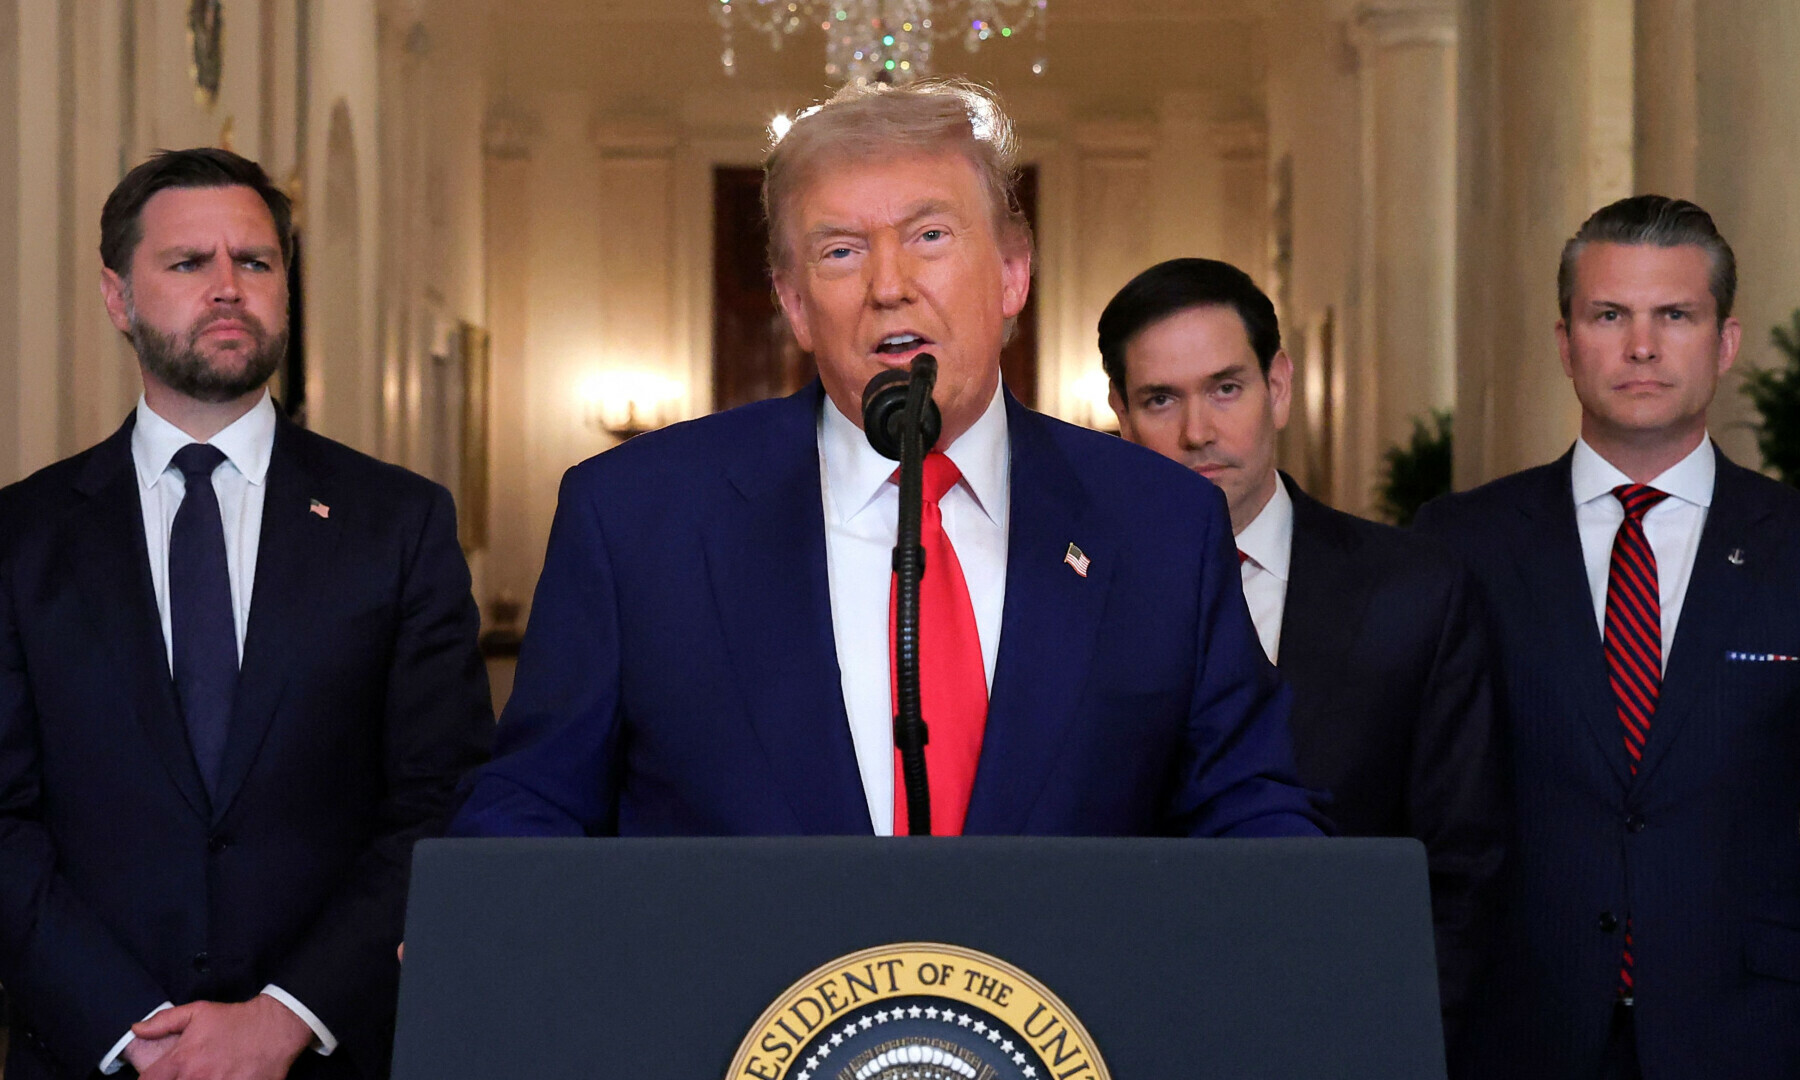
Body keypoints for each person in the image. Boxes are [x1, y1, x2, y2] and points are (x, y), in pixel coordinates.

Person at [449, 79, 1325, 841]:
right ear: (795, 305)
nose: (889, 283)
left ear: (1014, 274)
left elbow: (1246, 805)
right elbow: (534, 802)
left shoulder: (1160, 522)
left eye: (931, 236)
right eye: (840, 252)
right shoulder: (635, 516)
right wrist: (472, 923)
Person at [0, 148, 492, 1080]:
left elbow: (444, 798)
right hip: (87, 1052)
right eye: (189, 264)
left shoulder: (398, 523)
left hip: (328, 1052)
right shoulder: (22, 536)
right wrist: (131, 1027)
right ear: (118, 296)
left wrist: (286, 1017)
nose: (228, 288)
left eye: (255, 263)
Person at [1415, 195, 1800, 1079]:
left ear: (1725, 342)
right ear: (1565, 343)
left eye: (1675, 315)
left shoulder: (1793, 545)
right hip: (1515, 1034)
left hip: (1756, 1034)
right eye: (1609, 315)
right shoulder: (1456, 544)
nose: (1642, 346)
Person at [1099, 257, 1506, 1055]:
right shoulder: (1072, 600)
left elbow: (1464, 870)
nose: (1198, 432)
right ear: (1119, 413)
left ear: (1277, 385)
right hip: (1121, 1036)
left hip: (1351, 1033)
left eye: (1226, 387)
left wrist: (1403, 1048)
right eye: (1160, 399)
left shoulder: (1414, 591)